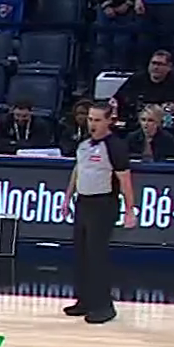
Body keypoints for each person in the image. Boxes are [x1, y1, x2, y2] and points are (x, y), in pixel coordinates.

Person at [65, 103, 137, 325]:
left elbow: (125, 179)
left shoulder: (115, 147)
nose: (92, 124)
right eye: (90, 119)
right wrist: (68, 197)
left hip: (103, 204)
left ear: (108, 121)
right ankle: (85, 300)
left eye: (97, 120)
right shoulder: (84, 144)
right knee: (81, 254)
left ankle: (104, 307)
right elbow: (78, 170)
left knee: (97, 255)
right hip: (83, 202)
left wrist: (130, 210)